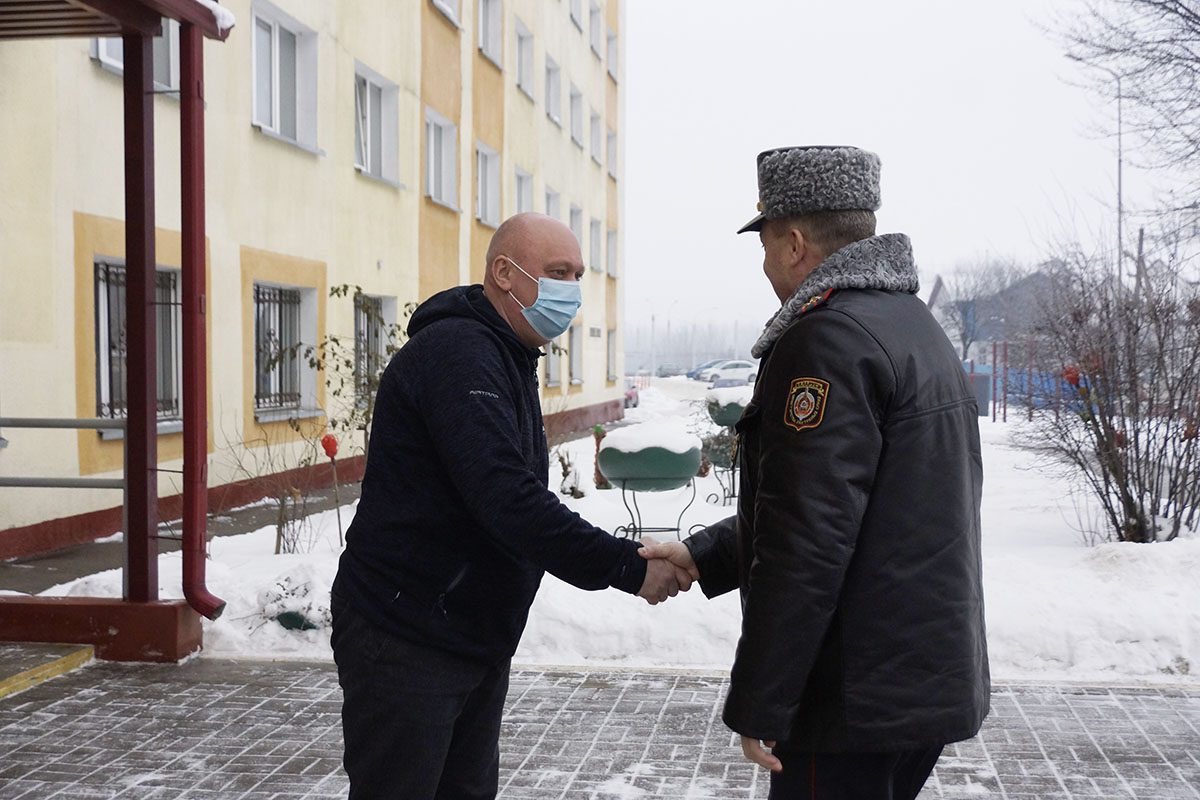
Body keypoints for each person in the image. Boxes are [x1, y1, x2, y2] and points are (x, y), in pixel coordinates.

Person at [640, 146, 989, 800]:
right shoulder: (912, 325)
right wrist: (704, 552)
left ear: (795, 243)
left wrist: (761, 702)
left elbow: (809, 538)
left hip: (850, 701)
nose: (766, 265)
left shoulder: (825, 339)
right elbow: (856, 506)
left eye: (766, 246)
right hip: (912, 689)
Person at [331, 212, 691, 799]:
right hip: (407, 634)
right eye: (556, 272)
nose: (571, 289)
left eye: (577, 274)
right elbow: (506, 498)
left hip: (466, 633)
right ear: (504, 272)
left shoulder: (507, 353)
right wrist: (628, 566)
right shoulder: (459, 354)